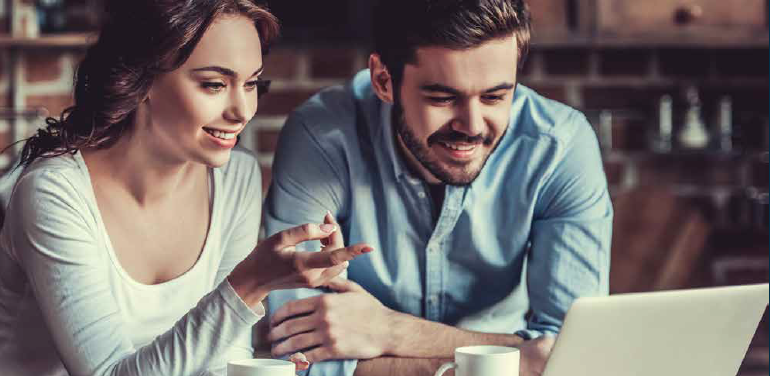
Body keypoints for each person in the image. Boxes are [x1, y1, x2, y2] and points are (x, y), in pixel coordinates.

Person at [0, 1, 373, 375]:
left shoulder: (233, 178)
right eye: (214, 84)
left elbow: (215, 359)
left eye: (251, 84)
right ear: (142, 80)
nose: (242, 110)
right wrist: (249, 284)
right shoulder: (53, 193)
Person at [262, 0, 613, 375]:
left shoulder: (559, 146)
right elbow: (300, 356)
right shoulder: (321, 138)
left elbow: (574, 357)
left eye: (495, 96)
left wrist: (390, 330)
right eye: (443, 98)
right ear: (384, 80)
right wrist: (514, 357)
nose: (473, 126)